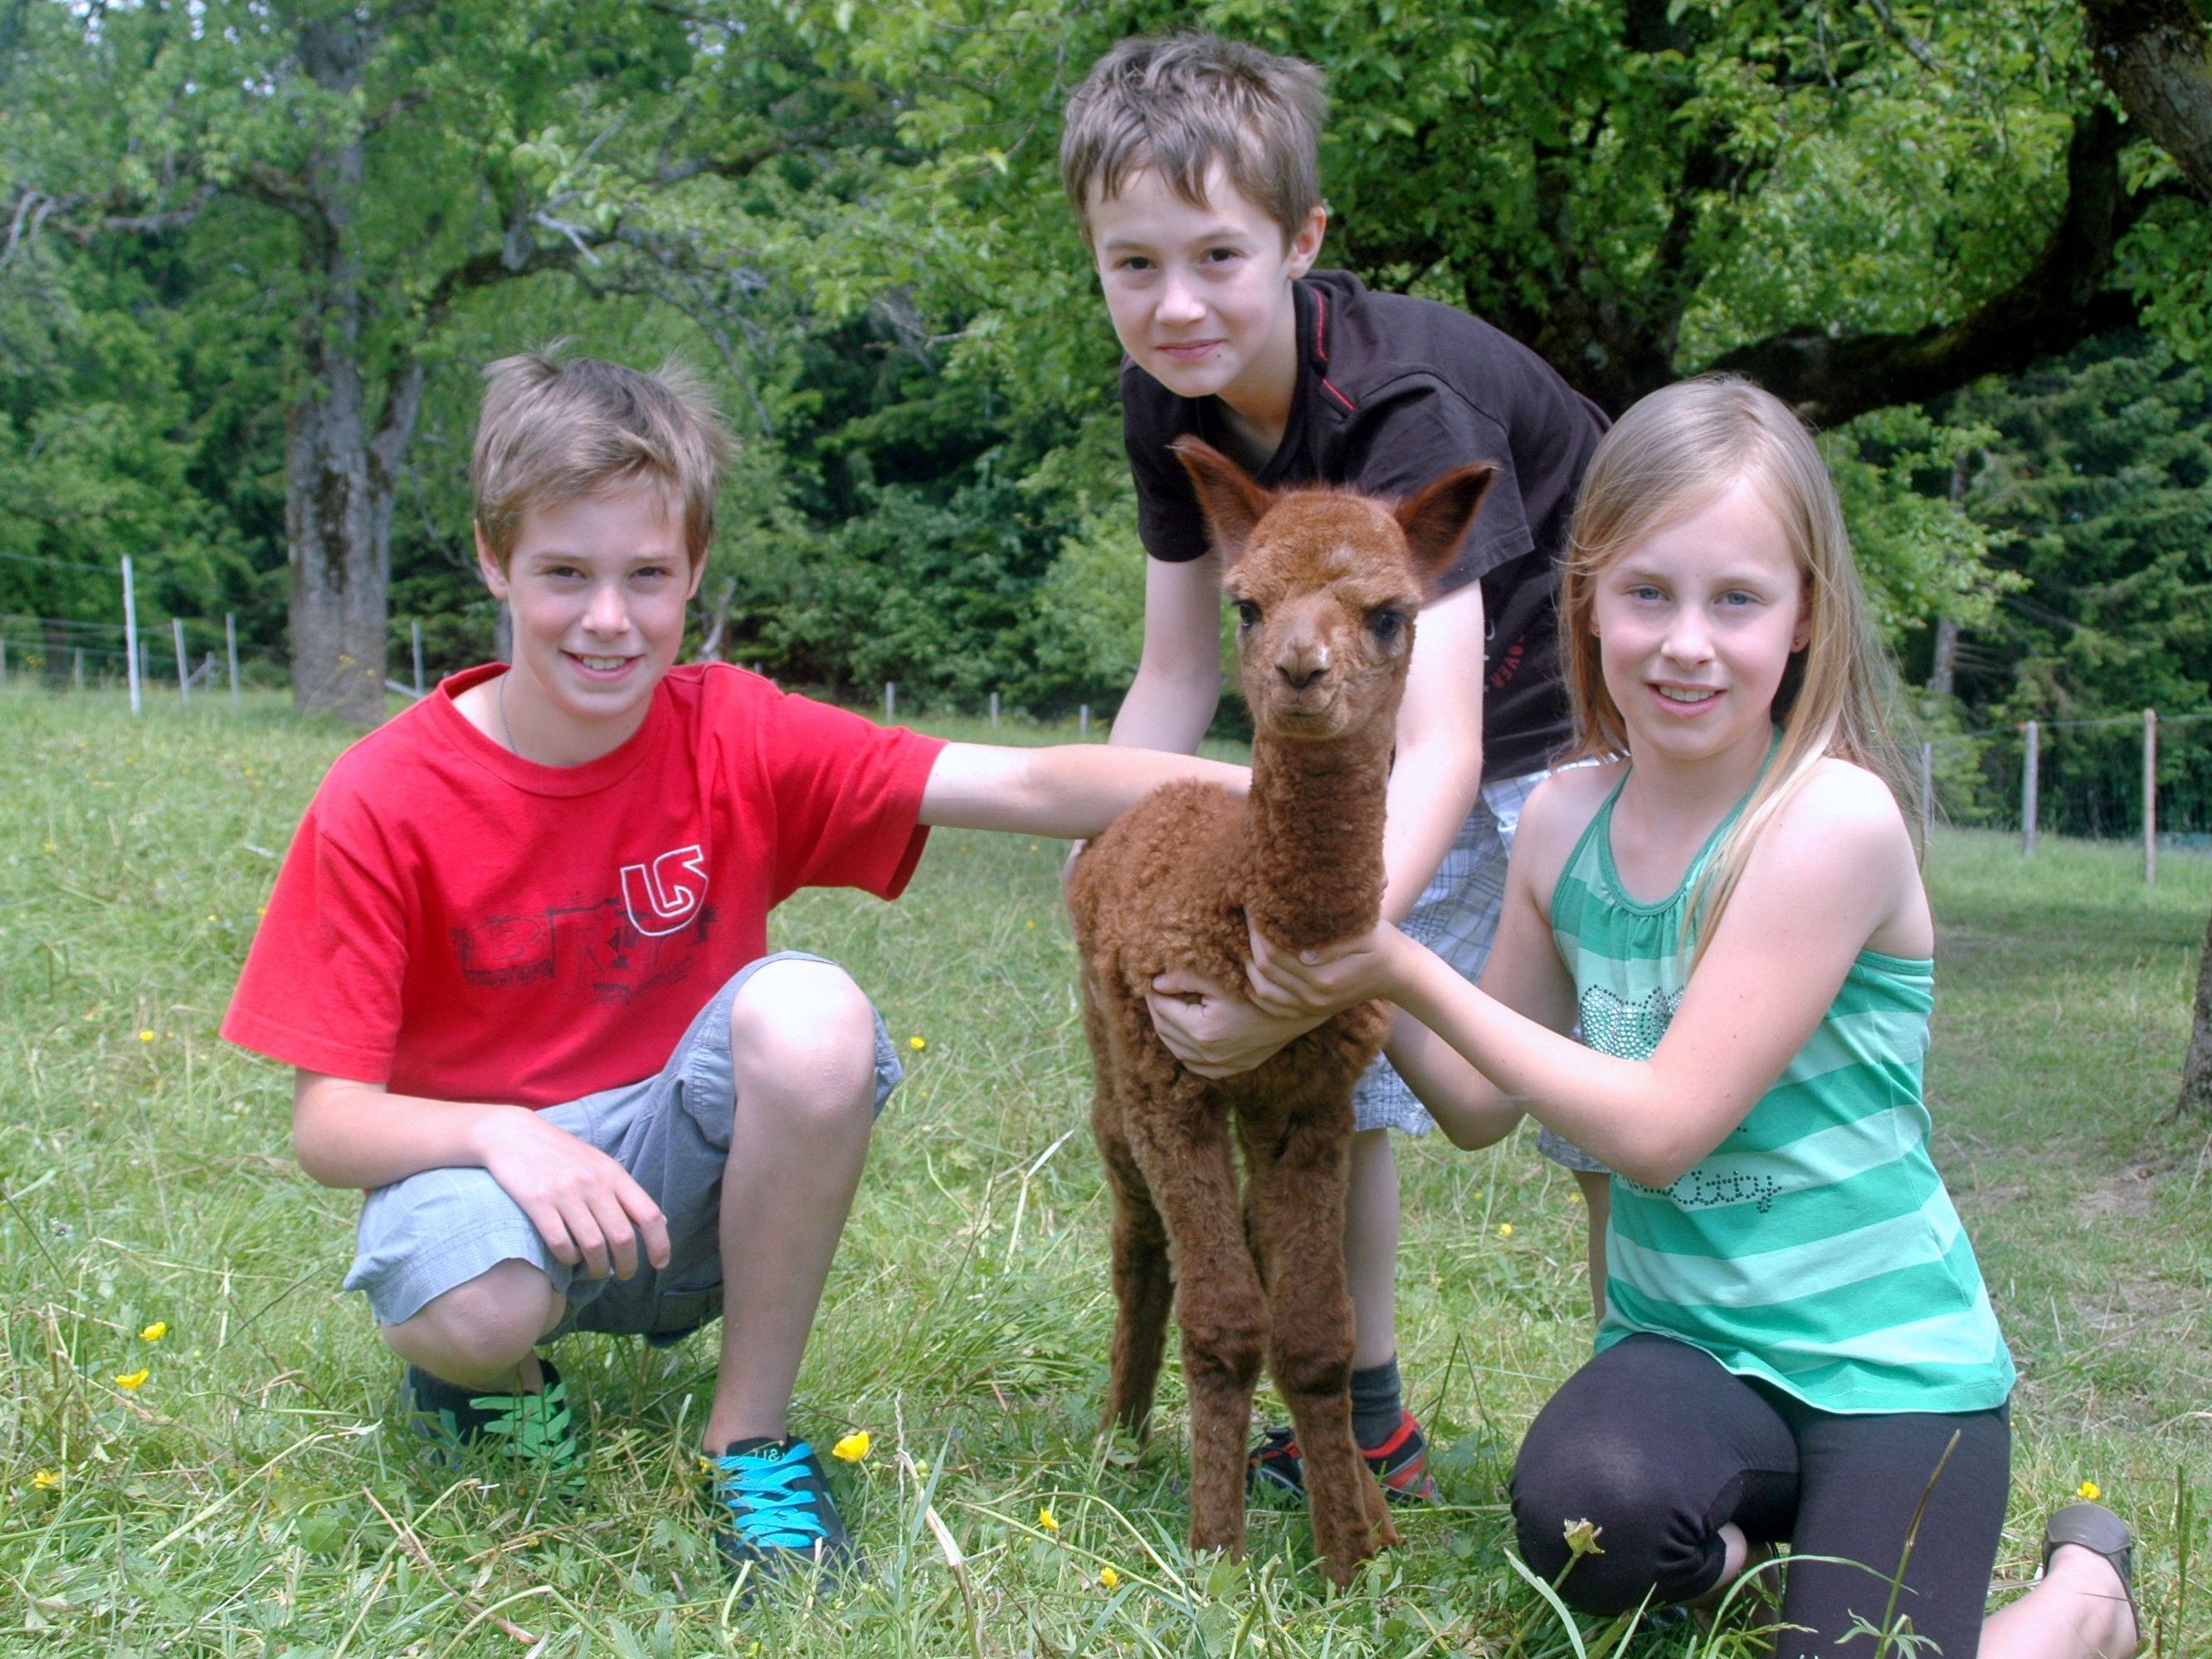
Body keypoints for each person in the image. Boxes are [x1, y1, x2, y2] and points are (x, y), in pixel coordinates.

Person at [220, 350, 1245, 1593]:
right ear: (494, 561)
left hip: (682, 1193)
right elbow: (327, 1124)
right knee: (476, 1306)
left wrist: (1285, 798)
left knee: (811, 1009)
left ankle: (749, 1443)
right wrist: (505, 1137)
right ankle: (479, 1379)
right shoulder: (385, 793)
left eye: (647, 576)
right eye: (564, 575)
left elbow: (1023, 781)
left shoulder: (733, 730)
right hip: (494, 1189)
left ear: (693, 572)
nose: (609, 619)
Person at [1239, 375, 2141, 1658]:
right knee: (1581, 1523)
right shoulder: (1560, 819)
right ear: (1586, 598)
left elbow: (1658, 1133)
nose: (1685, 642)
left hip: (1889, 1375)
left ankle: (2083, 1595)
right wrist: (1335, 965)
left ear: (1801, 617)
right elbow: (1484, 1102)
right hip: (1689, 1354)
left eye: (1736, 600)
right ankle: (1744, 1554)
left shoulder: (1828, 823)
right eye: (1647, 593)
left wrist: (1391, 965)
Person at [1058, 31, 1614, 1503]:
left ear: (1300, 242)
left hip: (1571, 715)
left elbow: (1445, 738)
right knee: (1338, 1075)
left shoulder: (1404, 405)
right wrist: (1096, 853)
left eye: (1216, 257)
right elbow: (1178, 669)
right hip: (1373, 727)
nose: (1174, 305)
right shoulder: (1166, 402)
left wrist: (1325, 947)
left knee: (1583, 1071)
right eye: (1131, 265)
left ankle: (1657, 1367)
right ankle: (1358, 1404)